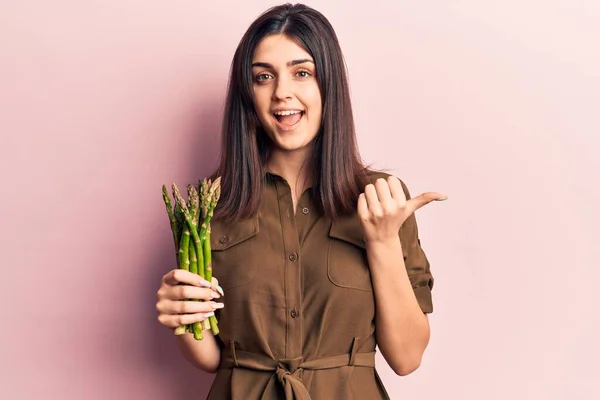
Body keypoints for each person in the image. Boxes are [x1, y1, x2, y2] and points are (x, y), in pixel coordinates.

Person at [156, 3, 447, 399]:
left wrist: (381, 241)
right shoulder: (210, 205)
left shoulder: (382, 200)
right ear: (249, 92)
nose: (282, 93)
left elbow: (407, 357)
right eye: (263, 77)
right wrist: (182, 318)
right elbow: (212, 358)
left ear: (328, 84)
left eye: (302, 72)